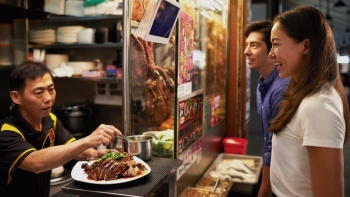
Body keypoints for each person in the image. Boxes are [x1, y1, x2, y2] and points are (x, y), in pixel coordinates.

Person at [0, 61, 123, 197]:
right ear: (16, 97)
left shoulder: (50, 120)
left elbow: (71, 147)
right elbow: (35, 162)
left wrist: (96, 154)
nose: (48, 98)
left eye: (51, 89)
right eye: (39, 92)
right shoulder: (6, 132)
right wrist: (88, 140)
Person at [268, 6, 349, 196]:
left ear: (306, 46)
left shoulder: (319, 105)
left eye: (276, 44)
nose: (271, 53)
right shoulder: (305, 95)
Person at [244, 20, 290, 197]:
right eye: (247, 45)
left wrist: (263, 192)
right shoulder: (263, 83)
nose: (246, 51)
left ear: (272, 50)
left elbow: (275, 148)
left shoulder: (282, 88)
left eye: (254, 45)